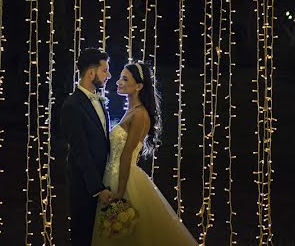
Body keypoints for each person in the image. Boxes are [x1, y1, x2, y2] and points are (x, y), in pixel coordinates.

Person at [91, 61, 197, 245]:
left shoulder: (139, 115)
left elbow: (126, 154)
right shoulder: (131, 111)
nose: (118, 82)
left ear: (139, 86)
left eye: (125, 79)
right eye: (120, 78)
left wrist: (121, 192)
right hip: (112, 174)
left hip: (123, 178)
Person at [62, 49, 113, 246]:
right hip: (85, 187)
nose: (108, 76)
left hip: (104, 181)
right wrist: (97, 189)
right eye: (105, 71)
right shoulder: (72, 106)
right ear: (91, 74)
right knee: (83, 237)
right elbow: (80, 151)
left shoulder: (99, 100)